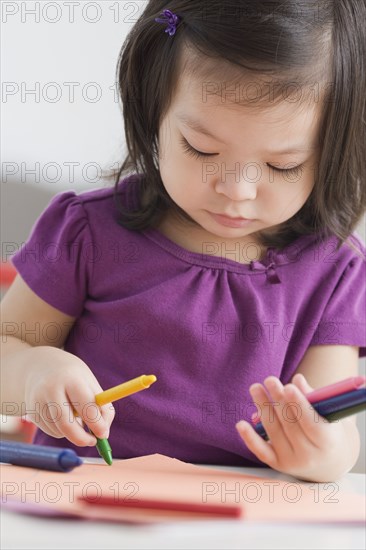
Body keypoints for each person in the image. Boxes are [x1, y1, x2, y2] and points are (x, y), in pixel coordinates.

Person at [1, 1, 365, 483]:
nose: (237, 191)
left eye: (283, 165)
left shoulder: (331, 271)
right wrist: (34, 371)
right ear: (153, 113)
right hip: (88, 500)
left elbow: (336, 427)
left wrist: (320, 452)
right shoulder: (87, 232)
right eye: (202, 149)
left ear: (334, 150)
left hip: (242, 520)